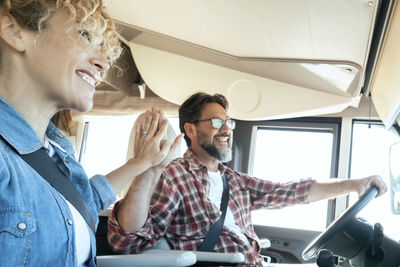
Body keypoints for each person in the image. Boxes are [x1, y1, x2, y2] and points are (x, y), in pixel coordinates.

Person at [108, 93, 387, 266]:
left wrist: (353, 185)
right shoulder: (174, 176)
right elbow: (130, 243)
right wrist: (148, 168)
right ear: (190, 130)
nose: (227, 129)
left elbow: (291, 191)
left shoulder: (234, 180)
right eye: (216, 122)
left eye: (228, 122)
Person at [0, 1, 180, 266]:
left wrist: (143, 163)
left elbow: (82, 201)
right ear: (14, 32)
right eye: (85, 35)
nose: (103, 63)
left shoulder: (55, 149)